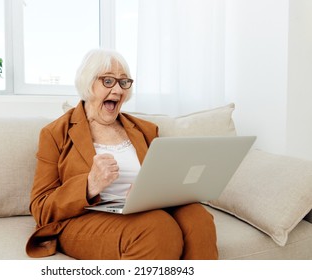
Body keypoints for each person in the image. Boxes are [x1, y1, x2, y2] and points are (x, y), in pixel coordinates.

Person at [26, 48, 218, 260]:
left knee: (198, 218)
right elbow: (41, 208)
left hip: (142, 210)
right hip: (83, 218)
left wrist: (152, 191)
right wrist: (90, 185)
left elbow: (161, 178)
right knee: (158, 228)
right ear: (88, 83)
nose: (117, 90)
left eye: (124, 82)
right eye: (108, 81)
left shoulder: (145, 130)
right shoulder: (55, 133)